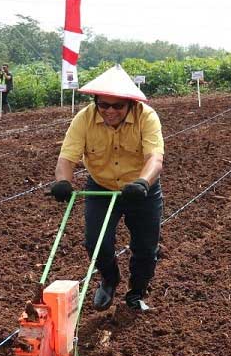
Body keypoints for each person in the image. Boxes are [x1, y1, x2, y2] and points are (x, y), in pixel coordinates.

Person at [50, 65, 164, 311]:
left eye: (117, 106)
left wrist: (142, 182)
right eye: (104, 105)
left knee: (145, 248)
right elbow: (67, 158)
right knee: (95, 242)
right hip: (101, 186)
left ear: (130, 104)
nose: (110, 111)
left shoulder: (147, 116)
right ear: (96, 102)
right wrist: (63, 182)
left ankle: (136, 292)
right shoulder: (84, 119)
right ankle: (110, 278)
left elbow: (155, 158)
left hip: (140, 189)